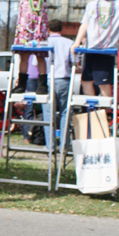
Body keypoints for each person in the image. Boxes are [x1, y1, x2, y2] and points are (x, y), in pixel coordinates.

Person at [42, 19, 72, 150]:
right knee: (65, 112)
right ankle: (64, 144)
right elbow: (73, 62)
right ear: (62, 29)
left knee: (48, 114)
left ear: (48, 29)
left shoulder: (44, 43)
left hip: (48, 78)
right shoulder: (69, 43)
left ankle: (50, 145)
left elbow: (37, 64)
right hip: (64, 78)